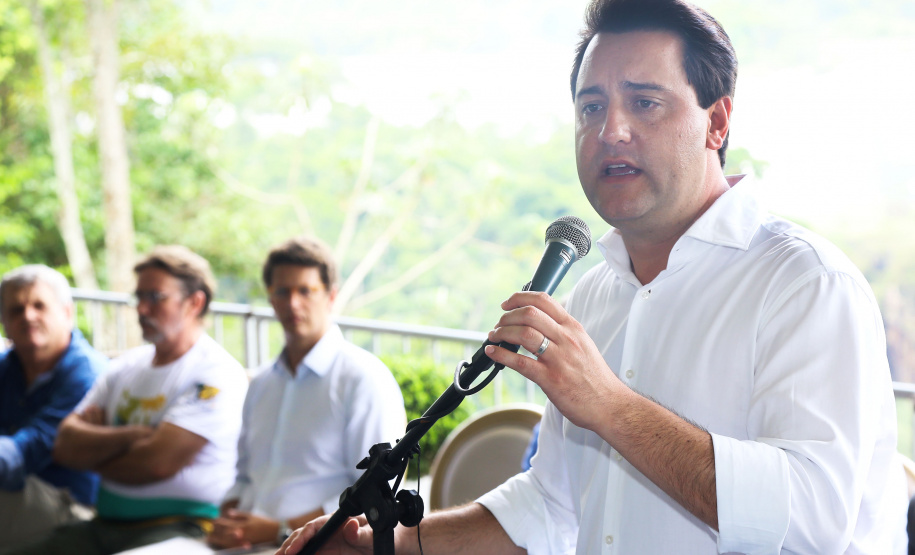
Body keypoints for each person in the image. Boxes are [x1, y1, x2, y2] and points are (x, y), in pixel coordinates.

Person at [278, 0, 907, 553]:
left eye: (645, 102)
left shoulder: (805, 283)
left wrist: (608, 404)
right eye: (591, 105)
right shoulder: (596, 292)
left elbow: (813, 521)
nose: (611, 131)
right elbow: (551, 509)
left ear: (717, 122)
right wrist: (383, 547)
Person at [2, 246, 248, 555]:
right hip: (102, 527)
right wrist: (134, 437)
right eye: (139, 297)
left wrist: (95, 451)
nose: (142, 309)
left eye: (155, 297)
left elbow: (157, 463)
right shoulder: (124, 368)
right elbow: (65, 447)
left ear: (194, 302)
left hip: (180, 528)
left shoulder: (215, 371)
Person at [207, 236, 405, 550]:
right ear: (270, 298)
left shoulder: (363, 378)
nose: (293, 303)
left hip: (325, 547)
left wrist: (279, 530)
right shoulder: (260, 384)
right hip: (245, 546)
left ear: (330, 295)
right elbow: (245, 476)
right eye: (282, 291)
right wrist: (227, 521)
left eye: (305, 290)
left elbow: (376, 494)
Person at [0, 265, 106, 549]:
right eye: (16, 310)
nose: (28, 316)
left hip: (73, 506)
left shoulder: (88, 375)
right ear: (4, 322)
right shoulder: (6, 368)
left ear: (67, 313)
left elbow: (31, 450)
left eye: (39, 306)